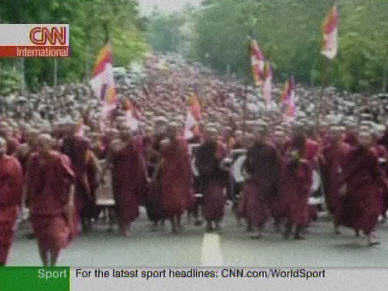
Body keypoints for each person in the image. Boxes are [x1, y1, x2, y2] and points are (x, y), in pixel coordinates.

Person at [26, 134, 75, 266]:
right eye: (38, 145)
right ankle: (45, 265)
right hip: (38, 204)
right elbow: (29, 181)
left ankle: (53, 264)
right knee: (41, 239)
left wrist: (69, 201)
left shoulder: (59, 159)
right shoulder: (33, 159)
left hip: (56, 203)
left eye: (43, 144)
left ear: (50, 144)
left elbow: (70, 181)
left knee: (56, 238)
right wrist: (27, 201)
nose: (40, 148)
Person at [338, 130, 387, 246]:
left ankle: (370, 234)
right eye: (362, 138)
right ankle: (363, 230)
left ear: (371, 140)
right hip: (354, 185)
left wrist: (383, 184)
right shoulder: (352, 153)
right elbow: (347, 169)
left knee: (372, 210)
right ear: (358, 139)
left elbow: (375, 171)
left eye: (367, 138)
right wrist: (343, 184)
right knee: (358, 210)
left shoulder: (372, 153)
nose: (364, 140)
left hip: (369, 186)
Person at [104, 127, 147, 237]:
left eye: (127, 131)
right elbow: (108, 160)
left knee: (130, 202)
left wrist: (145, 175)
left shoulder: (134, 144)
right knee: (120, 201)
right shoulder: (114, 144)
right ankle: (122, 225)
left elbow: (140, 159)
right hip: (119, 177)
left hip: (133, 177)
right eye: (123, 131)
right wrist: (102, 174)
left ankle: (127, 226)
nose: (125, 133)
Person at [239, 132, 281, 238]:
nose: (258, 137)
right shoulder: (251, 150)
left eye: (260, 135)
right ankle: (258, 228)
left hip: (268, 181)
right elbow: (247, 165)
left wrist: (274, 181)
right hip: (254, 180)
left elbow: (277, 165)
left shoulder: (271, 150)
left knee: (266, 205)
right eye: (256, 135)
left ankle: (267, 225)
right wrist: (246, 173)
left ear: (264, 137)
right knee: (253, 204)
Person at [278, 132, 313, 239]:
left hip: (298, 183)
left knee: (297, 208)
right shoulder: (293, 152)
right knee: (297, 208)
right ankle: (293, 231)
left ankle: (292, 231)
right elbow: (288, 164)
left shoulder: (299, 151)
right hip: (295, 183)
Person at [160, 124, 193, 233]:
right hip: (168, 173)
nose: (172, 132)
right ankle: (173, 224)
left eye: (174, 130)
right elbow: (163, 158)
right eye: (170, 130)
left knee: (179, 200)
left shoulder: (183, 142)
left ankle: (178, 221)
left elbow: (186, 158)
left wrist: (188, 173)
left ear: (178, 131)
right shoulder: (163, 143)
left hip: (180, 174)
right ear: (167, 132)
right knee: (170, 201)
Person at [195, 128, 228, 231]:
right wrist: (204, 169)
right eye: (209, 134)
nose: (211, 137)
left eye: (213, 134)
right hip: (206, 178)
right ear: (205, 136)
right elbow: (197, 162)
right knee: (207, 201)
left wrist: (222, 165)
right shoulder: (201, 148)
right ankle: (209, 222)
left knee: (218, 199)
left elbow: (226, 161)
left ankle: (218, 221)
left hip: (218, 178)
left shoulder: (220, 147)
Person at [0, 137, 24, 265]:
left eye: (2, 146)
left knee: (4, 239)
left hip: (8, 207)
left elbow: (18, 185)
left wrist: (19, 206)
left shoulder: (13, 163)